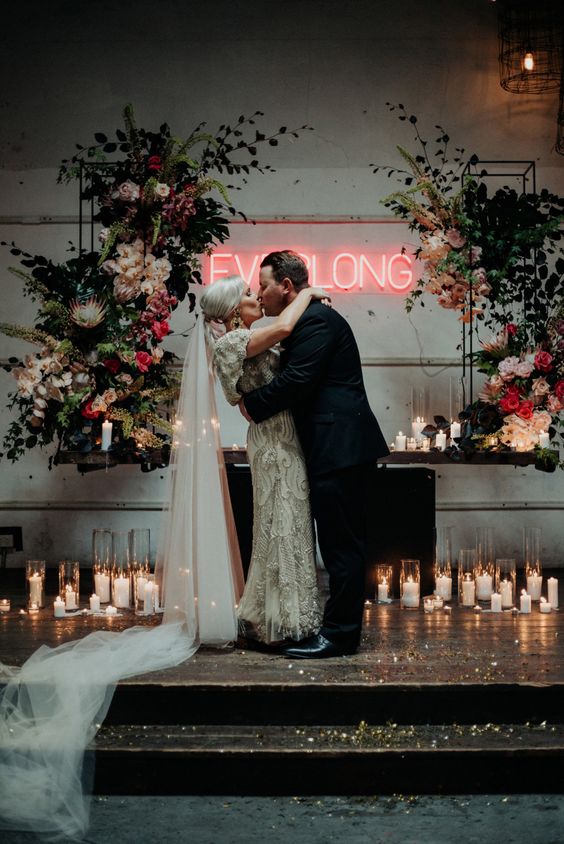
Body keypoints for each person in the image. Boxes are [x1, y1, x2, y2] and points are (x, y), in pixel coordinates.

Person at [241, 251, 390, 659]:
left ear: (286, 286)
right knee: (339, 545)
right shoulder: (307, 318)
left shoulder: (317, 321)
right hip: (333, 448)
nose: (260, 294)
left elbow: (297, 380)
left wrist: (252, 404)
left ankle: (340, 636)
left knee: (342, 548)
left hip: (340, 448)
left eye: (264, 285)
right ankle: (336, 629)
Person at [200, 275, 326, 645]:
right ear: (233, 310)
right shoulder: (231, 343)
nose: (256, 296)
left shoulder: (247, 338)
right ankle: (284, 619)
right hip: (273, 442)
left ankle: (271, 613)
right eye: (247, 294)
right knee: (282, 523)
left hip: (283, 437)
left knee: (285, 523)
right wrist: (307, 293)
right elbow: (285, 327)